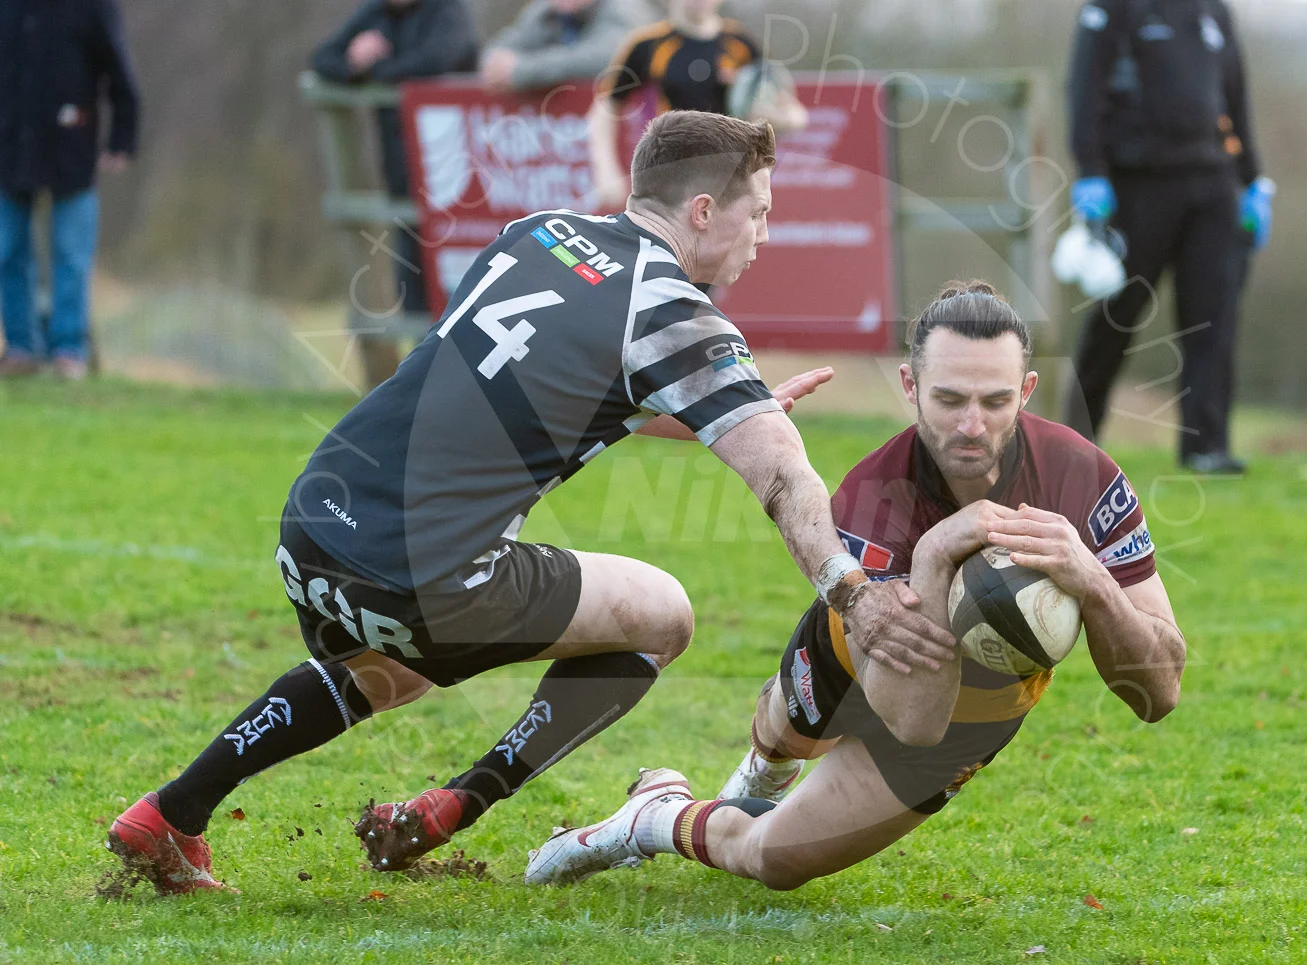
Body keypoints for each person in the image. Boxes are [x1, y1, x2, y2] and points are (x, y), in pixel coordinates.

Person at [105, 111, 955, 895]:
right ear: (703, 211)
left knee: (392, 662)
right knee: (663, 616)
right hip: (425, 576)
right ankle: (462, 802)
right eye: (758, 212)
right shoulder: (675, 313)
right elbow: (783, 480)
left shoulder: (539, 232)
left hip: (315, 526)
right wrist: (853, 592)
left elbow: (527, 380)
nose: (763, 235)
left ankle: (172, 812)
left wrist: (720, 412)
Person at [525, 282, 1186, 890]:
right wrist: (935, 554)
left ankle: (652, 816)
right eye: (949, 399)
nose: (971, 425)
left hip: (966, 721)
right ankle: (765, 768)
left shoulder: (1086, 481)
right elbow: (905, 705)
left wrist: (1092, 582)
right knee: (782, 728)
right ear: (910, 385)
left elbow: (1157, 695)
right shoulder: (870, 500)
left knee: (770, 861)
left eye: (995, 401)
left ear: (1028, 390)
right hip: (856, 654)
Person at [1060, 0, 1275, 475]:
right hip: (1138, 182)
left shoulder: (1213, 11)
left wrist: (1253, 180)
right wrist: (1090, 169)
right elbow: (1085, 88)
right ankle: (1074, 439)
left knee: (1213, 317)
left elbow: (1234, 96)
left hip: (1213, 182)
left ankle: (1206, 447)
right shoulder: (1111, 9)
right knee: (1118, 314)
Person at [311, 0, 479, 386]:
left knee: (457, 284)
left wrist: (373, 70)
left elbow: (435, 61)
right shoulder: (377, 12)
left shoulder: (448, 11)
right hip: (403, 175)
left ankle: (461, 382)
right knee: (412, 281)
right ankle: (422, 382)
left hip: (460, 181)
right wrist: (354, 65)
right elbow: (323, 59)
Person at [0, 0, 138, 380]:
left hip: (71, 151)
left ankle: (69, 352)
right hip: (10, 150)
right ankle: (21, 348)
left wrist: (122, 139)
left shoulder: (91, 6)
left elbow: (118, 71)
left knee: (72, 256)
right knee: (7, 251)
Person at [588, 0, 807, 210]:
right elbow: (605, 108)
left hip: (730, 176)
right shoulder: (646, 44)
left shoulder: (743, 42)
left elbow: (795, 114)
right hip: (669, 172)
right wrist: (605, 168)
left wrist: (768, 115)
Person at [479, 0, 656, 94]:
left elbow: (607, 57)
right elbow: (501, 48)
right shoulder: (547, 9)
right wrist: (494, 65)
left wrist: (522, 71)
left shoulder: (624, 7)